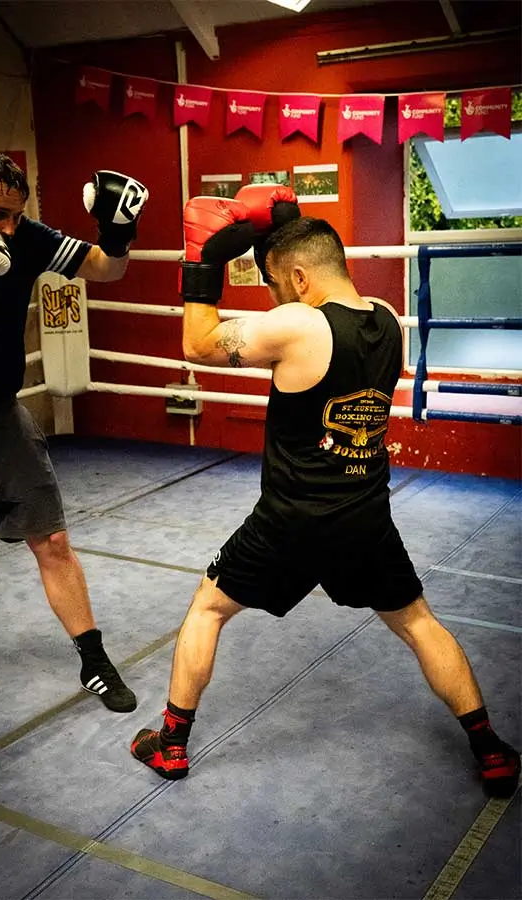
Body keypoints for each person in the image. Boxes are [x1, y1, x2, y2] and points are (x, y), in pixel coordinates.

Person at [130, 185, 521, 796]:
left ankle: (172, 745)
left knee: (206, 610)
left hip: (287, 522)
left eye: (275, 285)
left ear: (300, 276)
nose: (274, 299)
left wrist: (202, 265)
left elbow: (196, 343)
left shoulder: (299, 325)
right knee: (419, 623)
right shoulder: (388, 318)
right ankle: (490, 748)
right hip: (365, 518)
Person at [0, 151, 149, 712]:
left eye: (16, 215)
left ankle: (94, 661)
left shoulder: (25, 238)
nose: (7, 227)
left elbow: (105, 268)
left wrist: (117, 234)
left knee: (52, 540)